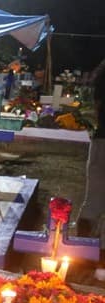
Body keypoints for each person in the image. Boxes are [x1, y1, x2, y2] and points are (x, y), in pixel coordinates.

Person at [77, 58, 105, 239]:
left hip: (101, 141)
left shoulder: (101, 74)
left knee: (94, 199)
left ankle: (85, 247)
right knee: (94, 199)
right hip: (102, 141)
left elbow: (95, 107)